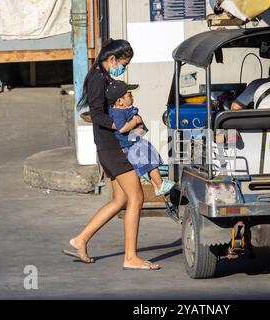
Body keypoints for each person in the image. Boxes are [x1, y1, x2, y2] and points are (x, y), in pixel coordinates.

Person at [63, 38, 160, 270]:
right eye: (124, 63)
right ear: (112, 59)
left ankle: (81, 239)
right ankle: (130, 257)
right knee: (137, 198)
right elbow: (95, 115)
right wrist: (122, 127)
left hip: (108, 146)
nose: (124, 68)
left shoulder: (102, 75)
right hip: (112, 147)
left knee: (120, 200)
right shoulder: (98, 79)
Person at [106, 80, 175, 195]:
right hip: (131, 144)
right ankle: (160, 184)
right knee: (149, 163)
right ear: (120, 101)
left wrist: (140, 125)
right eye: (129, 95)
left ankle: (157, 185)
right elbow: (122, 128)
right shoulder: (117, 113)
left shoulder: (123, 109)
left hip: (135, 140)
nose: (132, 97)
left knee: (149, 162)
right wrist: (135, 121)